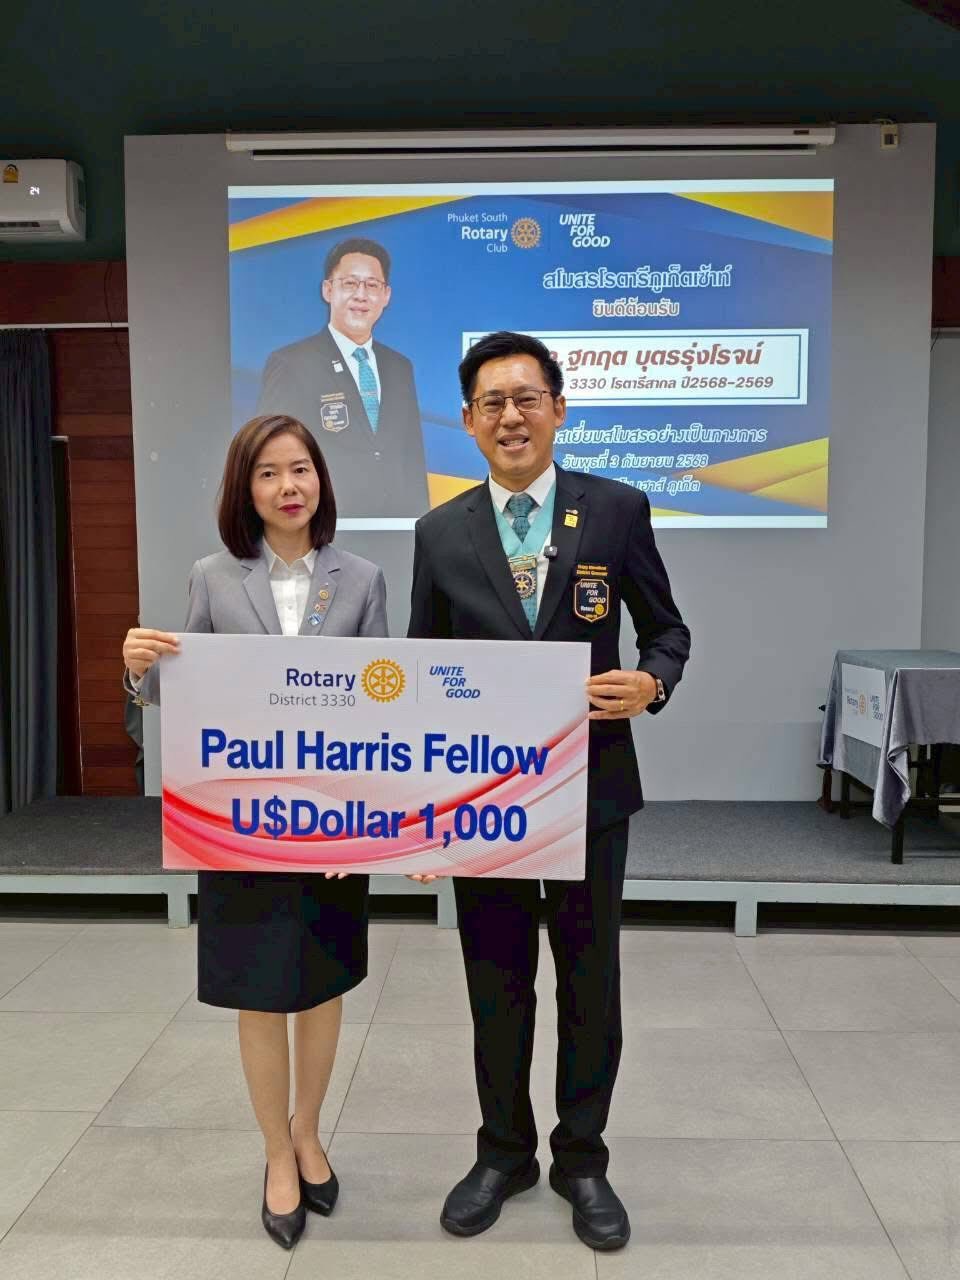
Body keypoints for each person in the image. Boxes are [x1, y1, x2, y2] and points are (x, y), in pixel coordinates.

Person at [407, 332, 690, 1253]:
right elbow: (422, 675)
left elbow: (668, 632)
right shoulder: (439, 532)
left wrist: (651, 682)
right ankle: (504, 1152)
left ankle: (582, 1158)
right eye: (492, 403)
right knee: (496, 981)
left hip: (590, 790)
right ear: (467, 421)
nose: (511, 417)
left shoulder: (615, 510)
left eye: (527, 398)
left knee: (588, 980)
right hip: (483, 803)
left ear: (559, 409)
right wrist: (424, 816)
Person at [122, 414, 387, 1251]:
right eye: (267, 473)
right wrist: (138, 671)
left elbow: (387, 709)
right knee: (260, 990)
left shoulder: (364, 578)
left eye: (300, 468)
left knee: (322, 984)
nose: (287, 486)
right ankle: (276, 1151)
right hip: (240, 825)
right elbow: (178, 691)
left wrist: (363, 827)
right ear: (246, 490)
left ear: (320, 479)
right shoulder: (213, 576)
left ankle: (309, 1131)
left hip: (331, 826)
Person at [256, 237, 427, 518]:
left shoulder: (400, 367)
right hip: (325, 527)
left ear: (386, 295)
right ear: (327, 290)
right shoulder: (291, 363)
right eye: (350, 283)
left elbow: (412, 459)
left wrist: (419, 525)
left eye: (372, 285)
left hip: (395, 528)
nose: (361, 295)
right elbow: (270, 455)